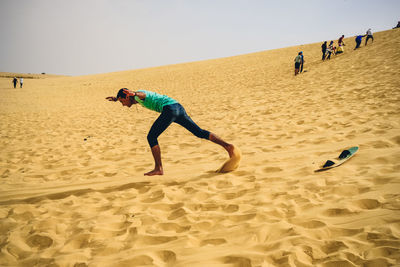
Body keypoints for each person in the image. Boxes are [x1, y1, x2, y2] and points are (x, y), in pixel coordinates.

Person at [106, 88, 241, 176]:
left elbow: (142, 95)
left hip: (169, 110)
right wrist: (117, 98)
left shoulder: (137, 95)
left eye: (122, 102)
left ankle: (158, 168)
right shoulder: (131, 99)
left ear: (128, 96)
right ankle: (228, 146)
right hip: (178, 107)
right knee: (199, 132)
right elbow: (128, 97)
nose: (123, 105)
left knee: (151, 136)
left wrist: (134, 94)